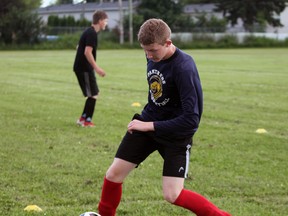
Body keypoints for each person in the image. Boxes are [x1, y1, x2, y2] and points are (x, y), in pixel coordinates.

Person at [97, 19, 231, 216]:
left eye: (153, 51)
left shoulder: (184, 67)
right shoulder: (152, 55)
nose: (149, 56)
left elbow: (191, 120)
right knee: (113, 175)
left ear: (168, 43)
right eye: (145, 51)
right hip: (148, 122)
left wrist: (149, 126)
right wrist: (147, 124)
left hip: (176, 134)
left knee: (173, 194)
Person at [73, 10, 108, 127]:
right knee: (93, 94)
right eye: (105, 21)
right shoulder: (92, 33)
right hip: (84, 68)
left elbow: (78, 47)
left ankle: (83, 119)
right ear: (100, 21)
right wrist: (97, 68)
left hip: (82, 68)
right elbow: (87, 52)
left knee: (93, 93)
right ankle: (86, 121)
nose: (106, 24)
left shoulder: (88, 31)